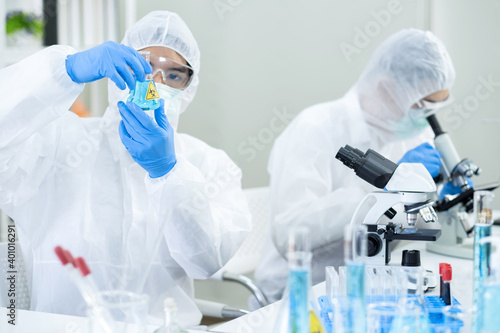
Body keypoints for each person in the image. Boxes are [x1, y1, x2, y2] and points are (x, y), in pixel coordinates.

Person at [0, 11, 251, 326]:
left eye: (173, 75)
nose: (155, 85)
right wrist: (65, 71)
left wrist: (168, 173)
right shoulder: (58, 143)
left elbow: (205, 262)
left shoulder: (209, 164)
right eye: (143, 68)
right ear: (116, 70)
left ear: (189, 88)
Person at [253, 29, 456, 305]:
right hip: (300, 294)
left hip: (369, 284)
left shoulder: (412, 135)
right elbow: (290, 232)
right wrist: (383, 188)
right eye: (423, 107)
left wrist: (443, 197)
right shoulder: (316, 127)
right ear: (386, 88)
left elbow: (414, 221)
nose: (427, 119)